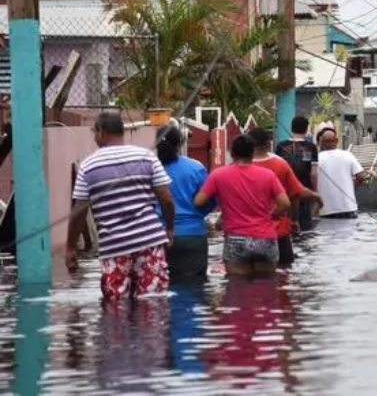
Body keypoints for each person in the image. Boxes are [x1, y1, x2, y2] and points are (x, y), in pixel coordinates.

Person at [65, 112, 175, 302]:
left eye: (95, 132)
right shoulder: (147, 156)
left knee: (117, 309)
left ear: (101, 131)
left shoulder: (88, 166)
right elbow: (166, 199)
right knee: (153, 304)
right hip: (149, 242)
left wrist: (70, 248)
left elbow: (79, 211)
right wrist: (170, 228)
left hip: (114, 248)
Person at [194, 134, 290, 277]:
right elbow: (285, 204)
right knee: (266, 288)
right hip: (265, 239)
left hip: (235, 238)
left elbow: (199, 202)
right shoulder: (268, 175)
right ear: (253, 153)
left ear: (232, 153)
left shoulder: (218, 175)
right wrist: (270, 216)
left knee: (237, 289)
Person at [247, 127, 322, 267]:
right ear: (268, 144)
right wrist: (295, 219)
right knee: (283, 274)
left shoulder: (236, 167)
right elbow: (295, 194)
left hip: (242, 235)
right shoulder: (280, 164)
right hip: (277, 232)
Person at [156, 124, 214, 278]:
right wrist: (197, 215)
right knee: (195, 288)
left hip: (157, 236)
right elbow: (210, 200)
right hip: (193, 235)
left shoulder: (150, 168)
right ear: (180, 143)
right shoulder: (196, 168)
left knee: (160, 288)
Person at [274, 115, 319, 232]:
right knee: (305, 231)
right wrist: (314, 192)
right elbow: (313, 174)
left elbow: (276, 171)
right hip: (304, 191)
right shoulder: (311, 147)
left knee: (286, 227)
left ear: (291, 127)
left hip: (284, 194)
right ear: (306, 129)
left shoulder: (281, 146)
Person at [316, 128, 367, 219]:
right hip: (348, 207)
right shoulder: (347, 155)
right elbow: (361, 176)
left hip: (326, 209)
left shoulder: (317, 159)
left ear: (321, 143)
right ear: (337, 141)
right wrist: (353, 187)